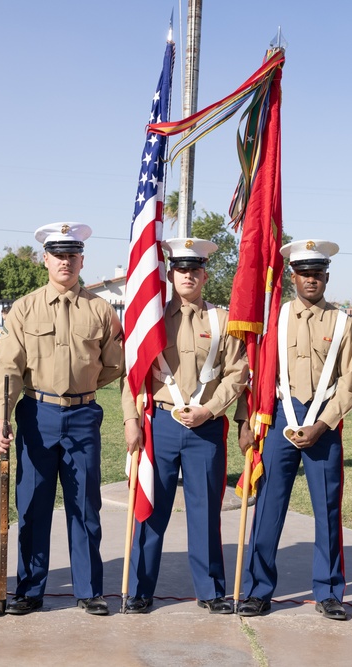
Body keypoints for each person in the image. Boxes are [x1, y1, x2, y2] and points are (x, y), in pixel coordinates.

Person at [0, 222, 123, 616]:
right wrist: (2, 418)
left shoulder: (100, 309)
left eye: (72, 255)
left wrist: (80, 388)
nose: (65, 262)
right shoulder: (24, 308)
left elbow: (113, 364)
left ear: (81, 260)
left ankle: (88, 590)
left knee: (85, 504)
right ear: (45, 260)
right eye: (58, 255)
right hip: (37, 413)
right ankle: (30, 590)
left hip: (83, 415)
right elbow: (10, 369)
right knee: (32, 504)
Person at [235, 240, 352, 619]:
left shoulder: (344, 324)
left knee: (327, 510)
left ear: (326, 276)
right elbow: (251, 373)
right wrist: (245, 421)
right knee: (269, 508)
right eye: (304, 273)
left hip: (324, 422)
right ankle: (258, 590)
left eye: (318, 274)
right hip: (277, 420)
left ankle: (329, 592)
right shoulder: (274, 318)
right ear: (292, 277)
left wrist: (323, 424)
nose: (311, 280)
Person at [120, 238, 247, 615]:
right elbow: (133, 374)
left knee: (205, 510)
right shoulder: (152, 319)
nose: (187, 275)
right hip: (159, 423)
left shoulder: (221, 321)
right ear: (170, 274)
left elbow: (237, 372)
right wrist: (131, 420)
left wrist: (209, 410)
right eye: (180, 269)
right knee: (149, 508)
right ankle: (140, 589)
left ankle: (210, 591)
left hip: (205, 429)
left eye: (195, 269)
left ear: (205, 275)